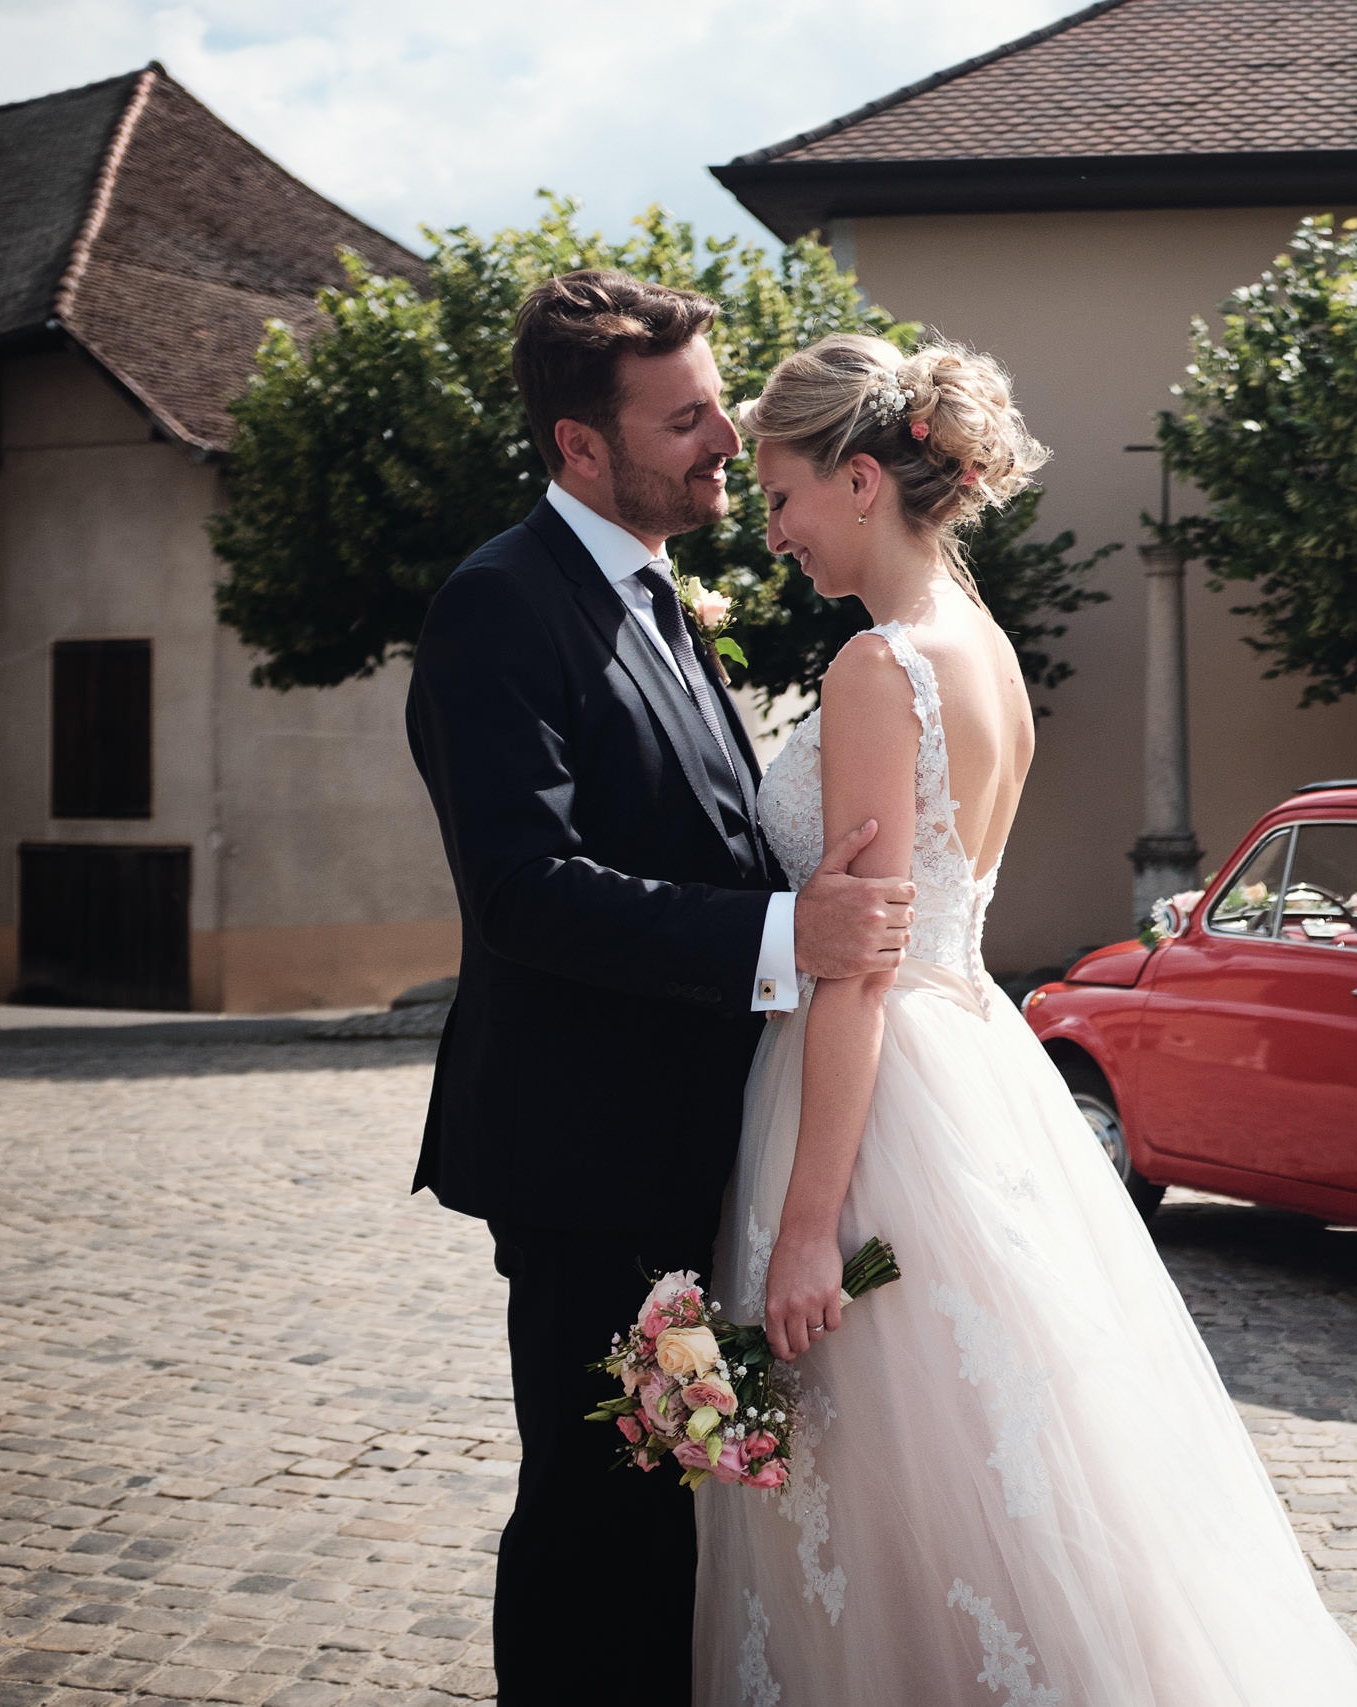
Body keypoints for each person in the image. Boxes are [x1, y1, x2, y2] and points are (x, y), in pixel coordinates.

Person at [695, 333, 1357, 1705]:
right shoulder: (985, 650)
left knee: (901, 1490)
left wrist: (809, 1225)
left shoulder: (876, 668)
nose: (770, 531)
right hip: (979, 1065)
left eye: (780, 497)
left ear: (856, 478)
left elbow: (862, 960)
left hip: (882, 1089)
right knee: (1011, 1477)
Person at [402, 271, 917, 1706]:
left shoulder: (658, 593)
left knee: (675, 1518)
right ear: (582, 446)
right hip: (586, 1158)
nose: (725, 440)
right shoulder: (499, 608)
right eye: (688, 417)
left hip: (691, 1148)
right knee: (595, 1522)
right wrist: (779, 942)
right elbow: (520, 890)